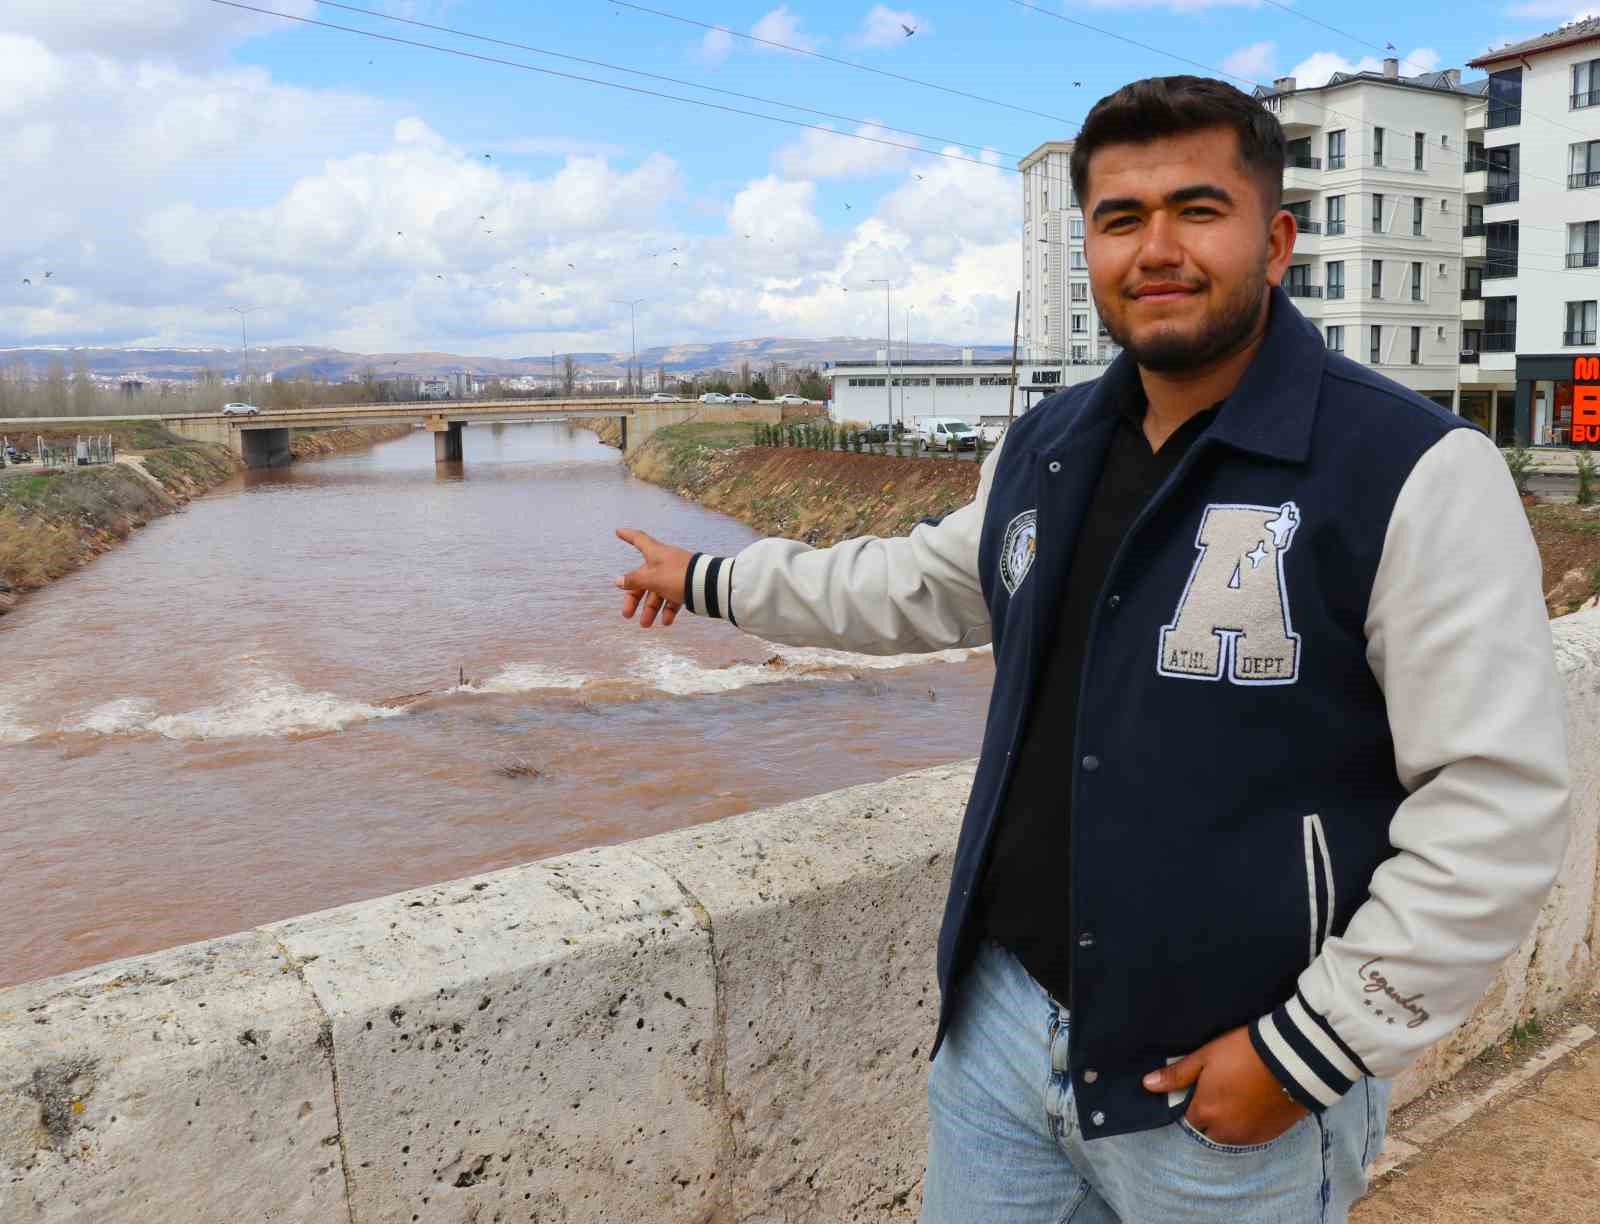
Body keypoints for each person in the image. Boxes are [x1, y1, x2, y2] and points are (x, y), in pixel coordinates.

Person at [613, 75, 1571, 1224]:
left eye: (1195, 210)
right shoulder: (1046, 449)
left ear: (1273, 243)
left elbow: (1493, 799)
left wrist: (1309, 1051)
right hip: (1003, 1043)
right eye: (1121, 219)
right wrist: (711, 578)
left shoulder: (1407, 469)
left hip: (1229, 1078)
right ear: (1088, 250)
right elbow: (918, 584)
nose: (1155, 248)